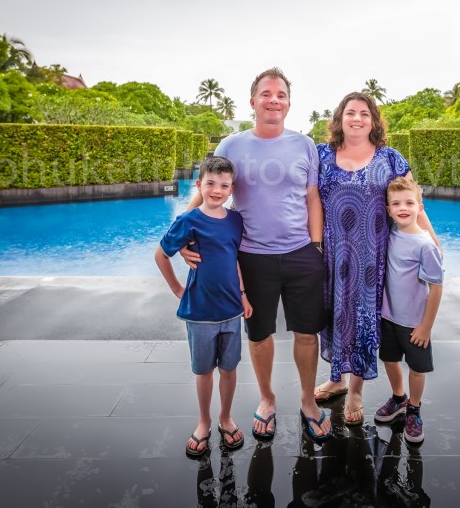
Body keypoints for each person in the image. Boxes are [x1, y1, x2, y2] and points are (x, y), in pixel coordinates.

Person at [181, 68, 332, 443]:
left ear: (288, 103)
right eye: (266, 93)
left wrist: (316, 246)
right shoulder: (231, 146)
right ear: (253, 101)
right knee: (259, 332)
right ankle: (267, 398)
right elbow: (207, 193)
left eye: (280, 94)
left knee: (307, 333)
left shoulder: (305, 145)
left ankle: (308, 401)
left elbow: (312, 197)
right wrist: (185, 232)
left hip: (300, 253)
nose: (273, 100)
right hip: (251, 256)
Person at [313, 92, 438, 426]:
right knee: (337, 315)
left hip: (374, 256)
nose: (357, 118)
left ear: (374, 120)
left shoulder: (391, 158)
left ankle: (355, 390)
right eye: (350, 112)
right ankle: (336, 379)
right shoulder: (321, 155)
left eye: (364, 113)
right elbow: (302, 200)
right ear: (339, 118)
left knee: (364, 319)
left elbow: (413, 203)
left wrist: (433, 241)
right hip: (334, 255)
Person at [154, 156, 252, 457]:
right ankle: (204, 421)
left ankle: (225, 417)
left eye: (224, 185)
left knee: (230, 368)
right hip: (199, 314)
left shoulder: (236, 220)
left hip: (231, 311)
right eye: (210, 183)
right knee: (204, 370)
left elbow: (234, 259)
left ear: (231, 189)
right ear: (199, 185)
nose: (217, 190)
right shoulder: (189, 220)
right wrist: (177, 289)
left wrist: (244, 294)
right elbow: (161, 254)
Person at [373, 176, 444, 445]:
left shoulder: (425, 245)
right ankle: (399, 397)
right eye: (396, 203)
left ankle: (414, 408)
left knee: (416, 368)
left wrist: (425, 326)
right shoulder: (388, 233)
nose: (403, 208)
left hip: (414, 322)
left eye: (409, 203)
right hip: (388, 317)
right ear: (389, 209)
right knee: (389, 360)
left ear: (420, 207)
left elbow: (436, 288)